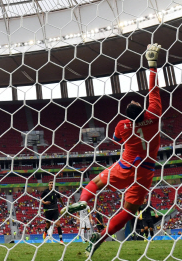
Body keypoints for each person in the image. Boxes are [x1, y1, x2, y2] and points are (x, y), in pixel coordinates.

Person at [61, 44, 162, 257]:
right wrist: (152, 64)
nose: (135, 99)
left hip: (125, 165)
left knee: (96, 182)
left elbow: (116, 140)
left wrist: (129, 131)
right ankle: (104, 236)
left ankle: (82, 201)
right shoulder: (154, 115)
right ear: (142, 111)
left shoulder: (122, 125)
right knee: (128, 211)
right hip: (145, 171)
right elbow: (154, 91)